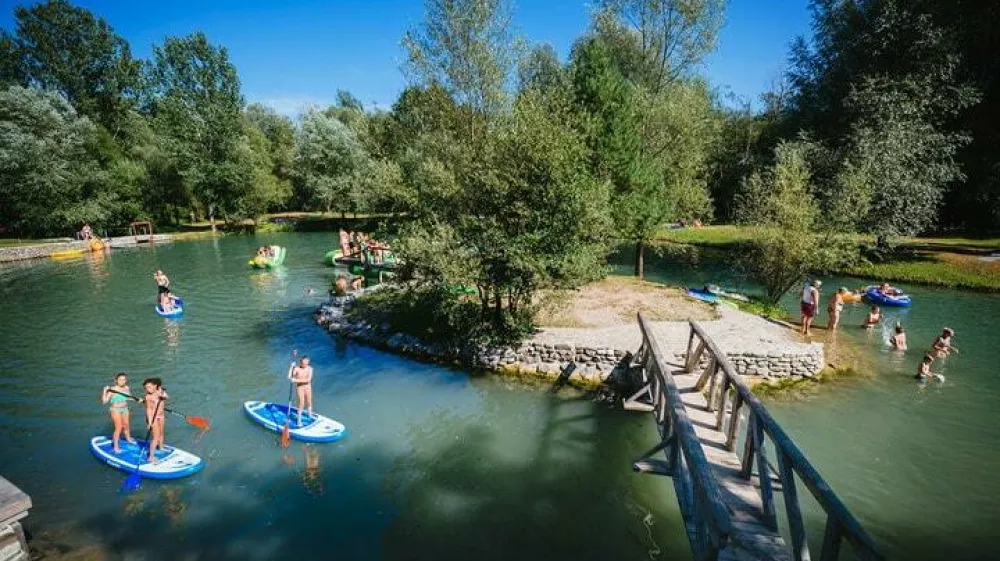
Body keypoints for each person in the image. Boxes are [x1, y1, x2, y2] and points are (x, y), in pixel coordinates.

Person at [101, 373, 136, 454]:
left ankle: (128, 439)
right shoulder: (112, 390)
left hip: (125, 409)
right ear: (116, 380)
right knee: (119, 428)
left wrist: (137, 400)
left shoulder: (127, 387)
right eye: (120, 379)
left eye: (124, 379)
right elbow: (104, 401)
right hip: (115, 410)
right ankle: (116, 447)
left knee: (126, 425)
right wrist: (104, 391)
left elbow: (128, 397)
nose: (122, 381)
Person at [142, 378, 168, 463]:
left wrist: (162, 394)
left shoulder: (160, 392)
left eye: (149, 387)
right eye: (146, 388)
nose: (147, 389)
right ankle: (151, 457)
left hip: (161, 416)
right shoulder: (148, 396)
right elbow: (148, 410)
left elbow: (166, 397)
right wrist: (150, 422)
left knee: (161, 433)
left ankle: (161, 447)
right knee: (155, 437)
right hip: (153, 418)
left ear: (155, 386)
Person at [288, 357, 314, 426]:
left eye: (306, 363)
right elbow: (289, 377)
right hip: (300, 387)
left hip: (308, 387)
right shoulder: (296, 368)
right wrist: (291, 367)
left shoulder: (310, 369)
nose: (305, 365)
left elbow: (308, 380)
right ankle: (299, 421)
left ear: (308, 362)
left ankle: (310, 416)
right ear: (301, 362)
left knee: (309, 402)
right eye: (303, 363)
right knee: (301, 403)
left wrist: (296, 380)